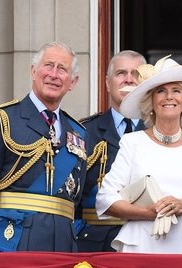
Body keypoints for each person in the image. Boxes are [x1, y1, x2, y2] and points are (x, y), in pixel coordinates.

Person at [0, 41, 87, 252]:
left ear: (72, 82)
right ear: (33, 72)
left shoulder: (78, 133)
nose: (54, 74)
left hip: (63, 248)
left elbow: (75, 203)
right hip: (11, 245)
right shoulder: (2, 120)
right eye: (48, 65)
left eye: (62, 69)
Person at [95, 55, 182, 253]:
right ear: (150, 101)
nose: (169, 97)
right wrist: (146, 213)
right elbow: (105, 200)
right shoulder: (132, 142)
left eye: (176, 90)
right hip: (141, 245)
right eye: (161, 91)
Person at [77, 50, 146, 252]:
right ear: (107, 83)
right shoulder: (83, 132)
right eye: (121, 73)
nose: (129, 79)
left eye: (136, 74)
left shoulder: (158, 132)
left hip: (147, 240)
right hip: (95, 244)